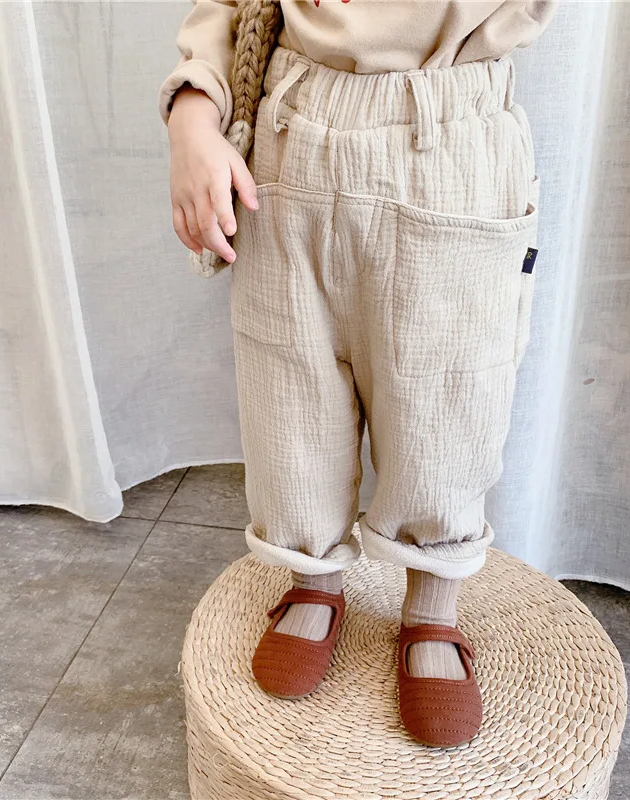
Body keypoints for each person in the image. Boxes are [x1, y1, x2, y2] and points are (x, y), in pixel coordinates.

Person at [159, 0, 557, 748]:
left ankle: (433, 610)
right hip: (291, 139)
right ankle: (313, 583)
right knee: (288, 392)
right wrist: (191, 117)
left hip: (450, 139)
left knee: (447, 407)